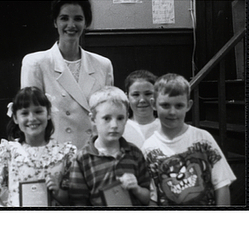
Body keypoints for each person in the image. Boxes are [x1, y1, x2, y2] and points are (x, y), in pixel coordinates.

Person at [20, 0, 114, 150]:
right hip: (54, 155)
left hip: (93, 154)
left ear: (86, 23)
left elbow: (109, 115)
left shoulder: (103, 65)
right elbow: (30, 118)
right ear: (55, 22)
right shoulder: (35, 63)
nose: (71, 25)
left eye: (78, 18)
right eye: (64, 18)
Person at [141, 73, 236, 206]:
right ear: (154, 105)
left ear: (188, 105)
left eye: (179, 106)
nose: (172, 112)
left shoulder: (204, 139)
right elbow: (152, 198)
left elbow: (222, 184)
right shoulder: (148, 149)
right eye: (165, 105)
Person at [0, 87, 77, 207]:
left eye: (38, 112)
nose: (32, 118)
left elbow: (75, 200)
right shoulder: (6, 152)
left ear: (48, 114)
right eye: (24, 113)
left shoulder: (65, 153)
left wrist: (58, 192)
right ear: (15, 118)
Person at [69, 86, 150, 206]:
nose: (114, 125)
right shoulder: (83, 159)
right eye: (107, 118)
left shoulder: (135, 153)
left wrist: (136, 189)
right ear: (93, 119)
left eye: (120, 118)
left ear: (127, 118)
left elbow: (147, 198)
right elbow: (78, 203)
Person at [123, 69, 160, 149]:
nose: (142, 100)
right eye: (136, 94)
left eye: (148, 94)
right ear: (127, 97)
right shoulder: (121, 128)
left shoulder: (166, 127)